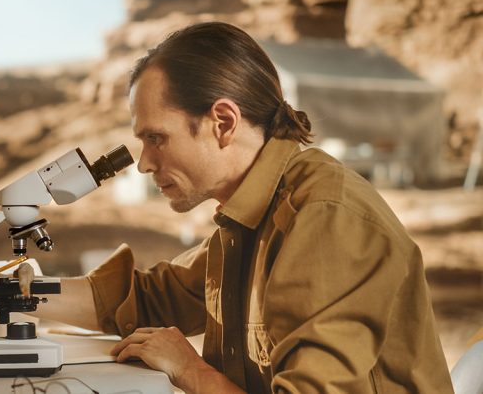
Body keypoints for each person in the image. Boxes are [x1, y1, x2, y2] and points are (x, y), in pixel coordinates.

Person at [34, 22, 453, 393]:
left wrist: (188, 368)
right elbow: (147, 299)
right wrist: (13, 292)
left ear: (224, 122)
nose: (144, 163)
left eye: (157, 138)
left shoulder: (325, 217)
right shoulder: (247, 219)